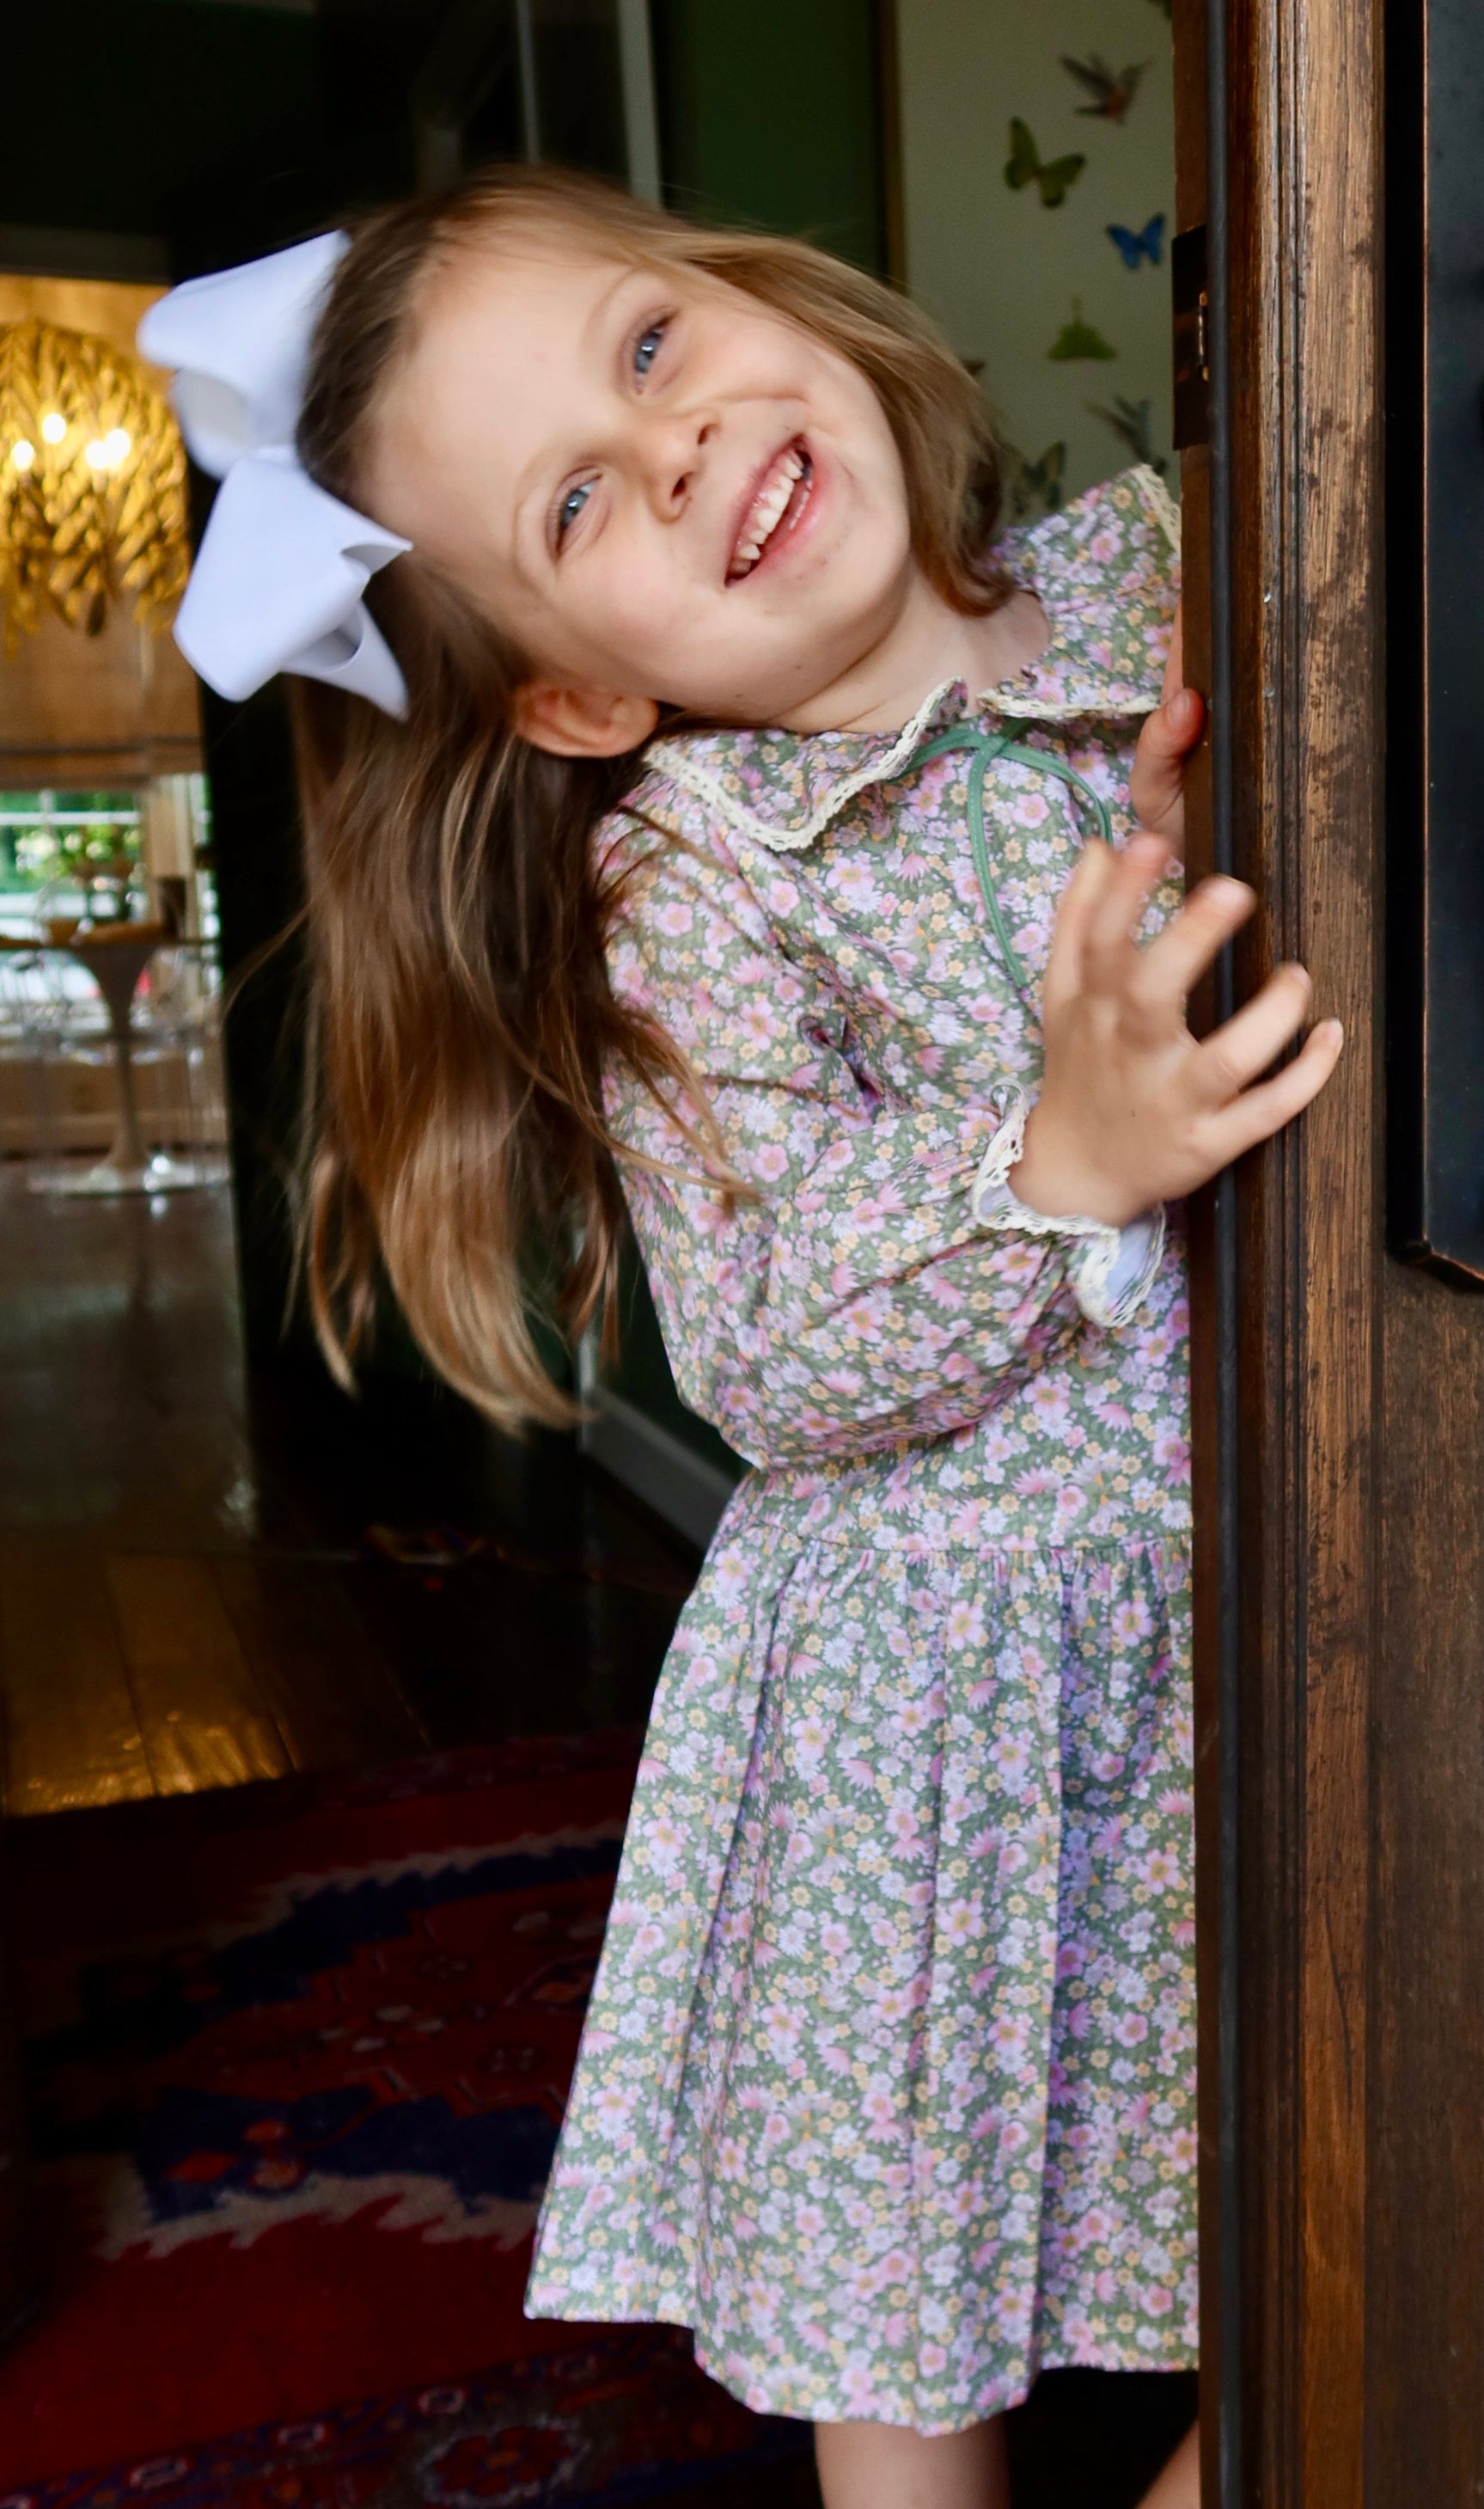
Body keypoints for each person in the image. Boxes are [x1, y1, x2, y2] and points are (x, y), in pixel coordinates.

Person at [140, 168, 1340, 2509]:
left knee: (1303, 2209)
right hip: (931, 1680)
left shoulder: (1177, 560)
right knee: (895, 2300)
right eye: (576, 496)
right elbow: (774, 1348)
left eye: (648, 350)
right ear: (584, 688)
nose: (672, 447)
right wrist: (1053, 1153)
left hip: (1246, 1602)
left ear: (757, 297)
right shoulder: (692, 876)